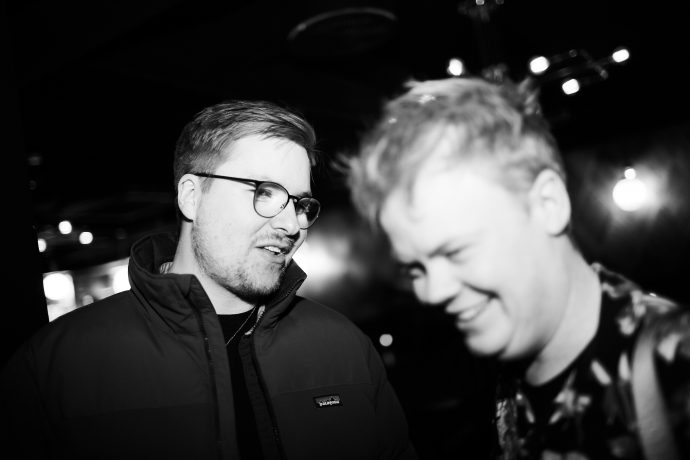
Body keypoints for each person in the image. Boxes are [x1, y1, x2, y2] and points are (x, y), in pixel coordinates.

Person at [0, 100, 417, 460]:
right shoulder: (56, 367)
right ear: (191, 196)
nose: (292, 225)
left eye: (300, 204)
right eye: (264, 192)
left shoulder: (344, 347)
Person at [346, 76, 690, 459]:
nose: (432, 292)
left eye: (457, 251)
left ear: (548, 205)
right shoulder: (508, 377)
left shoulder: (676, 365)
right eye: (415, 269)